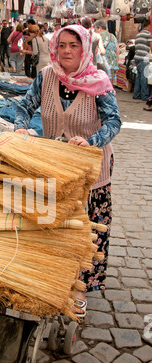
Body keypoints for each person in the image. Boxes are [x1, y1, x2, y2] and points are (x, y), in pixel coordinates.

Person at [14, 25, 121, 317]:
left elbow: (114, 123)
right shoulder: (46, 76)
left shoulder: (99, 82)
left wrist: (91, 141)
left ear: (84, 48)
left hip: (91, 167)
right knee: (54, 223)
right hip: (55, 164)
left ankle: (79, 288)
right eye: (61, 45)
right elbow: (25, 107)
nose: (67, 51)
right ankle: (52, 275)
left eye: (74, 45)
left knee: (87, 226)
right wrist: (21, 127)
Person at [93, 20, 119, 85]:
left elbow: (95, 49)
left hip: (101, 62)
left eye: (95, 29)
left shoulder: (98, 36)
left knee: (100, 83)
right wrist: (116, 63)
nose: (94, 31)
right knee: (110, 84)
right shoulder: (113, 36)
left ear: (100, 28)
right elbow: (117, 50)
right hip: (112, 62)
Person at [133, 18, 152, 101]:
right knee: (144, 76)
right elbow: (151, 45)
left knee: (139, 76)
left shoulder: (138, 35)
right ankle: (145, 96)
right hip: (144, 58)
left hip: (137, 57)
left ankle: (136, 94)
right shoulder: (148, 34)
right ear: (148, 26)